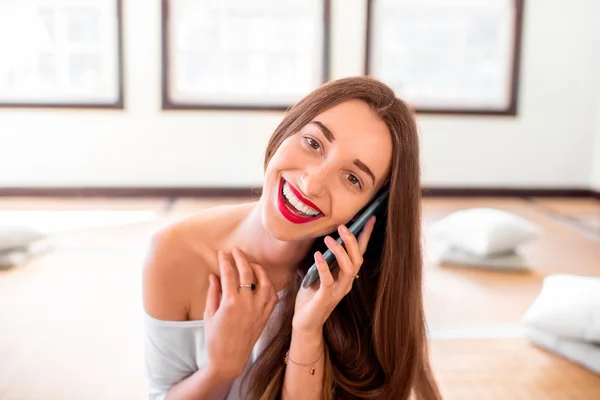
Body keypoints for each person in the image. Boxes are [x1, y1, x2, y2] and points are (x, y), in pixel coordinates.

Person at [142, 76, 442, 400]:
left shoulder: (358, 291)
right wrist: (221, 368)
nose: (312, 184)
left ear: (369, 212)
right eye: (313, 143)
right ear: (287, 129)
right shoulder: (174, 252)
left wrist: (307, 329)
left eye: (352, 179)